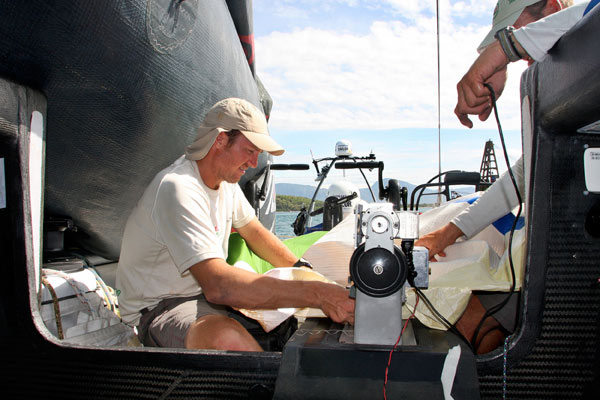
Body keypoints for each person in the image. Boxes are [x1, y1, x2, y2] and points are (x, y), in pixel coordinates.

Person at [416, 0, 589, 353]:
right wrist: (449, 232)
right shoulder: (551, 80)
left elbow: (591, 16)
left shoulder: (586, 43)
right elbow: (529, 170)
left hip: (579, 263)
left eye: (516, 29)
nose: (520, 47)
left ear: (553, 7)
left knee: (470, 311)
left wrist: (504, 50)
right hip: (562, 248)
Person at [116, 98, 355, 351]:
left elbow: (254, 232)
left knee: (287, 325)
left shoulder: (226, 184)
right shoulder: (179, 188)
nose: (253, 163)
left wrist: (304, 270)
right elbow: (219, 287)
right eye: (250, 151)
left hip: (203, 297)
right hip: (161, 306)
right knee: (225, 337)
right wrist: (318, 293)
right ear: (220, 140)